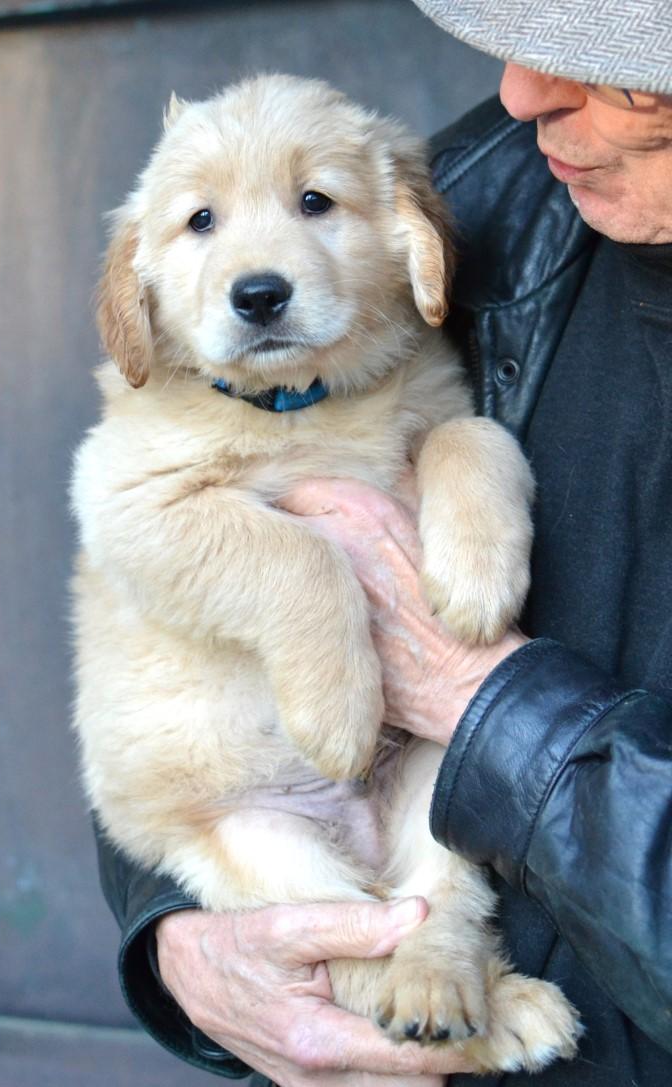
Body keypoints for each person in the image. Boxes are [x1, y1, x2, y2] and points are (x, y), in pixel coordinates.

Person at [93, 1, 672, 1084]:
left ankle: (452, 979)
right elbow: (151, 646)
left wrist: (477, 700)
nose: (524, 92)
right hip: (251, 799)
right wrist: (180, 940)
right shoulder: (501, 181)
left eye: (626, 66)